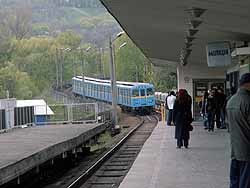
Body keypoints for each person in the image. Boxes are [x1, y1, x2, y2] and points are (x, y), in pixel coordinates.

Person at [226, 73, 250, 188]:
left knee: (235, 180)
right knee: (246, 182)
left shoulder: (231, 100)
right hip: (247, 150)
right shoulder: (248, 101)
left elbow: (229, 126)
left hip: (235, 149)